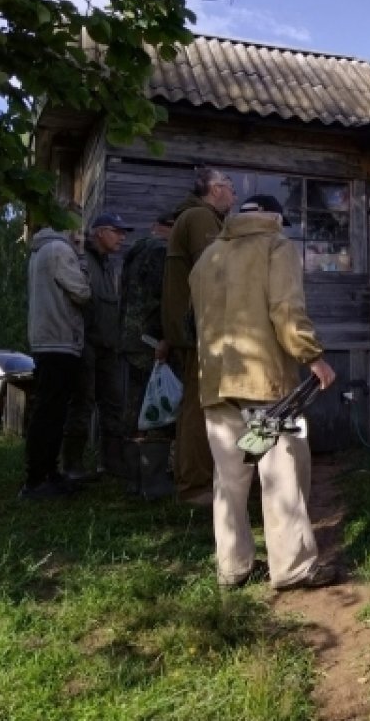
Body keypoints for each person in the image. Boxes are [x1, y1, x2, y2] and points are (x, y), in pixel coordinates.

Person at [189, 194, 339, 590]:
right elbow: (286, 308)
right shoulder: (276, 245)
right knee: (283, 471)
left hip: (215, 384)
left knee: (229, 479)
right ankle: (293, 567)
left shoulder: (207, 258)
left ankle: (233, 567)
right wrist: (312, 356)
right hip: (266, 384)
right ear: (274, 216)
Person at [163, 167, 236, 505]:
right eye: (229, 187)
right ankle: (194, 485)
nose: (233, 194)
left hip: (194, 327)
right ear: (215, 190)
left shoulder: (196, 217)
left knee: (200, 402)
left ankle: (196, 478)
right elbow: (216, 276)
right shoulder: (200, 218)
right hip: (199, 329)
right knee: (199, 404)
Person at [21, 207, 92, 500]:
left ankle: (46, 473)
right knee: (51, 412)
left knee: (48, 410)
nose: (80, 230)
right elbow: (82, 292)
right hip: (60, 338)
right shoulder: (60, 250)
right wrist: (82, 261)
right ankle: (38, 480)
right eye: (78, 223)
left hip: (46, 338)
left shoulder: (39, 250)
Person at [64, 211, 132, 481]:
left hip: (108, 347)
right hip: (87, 345)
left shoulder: (108, 264)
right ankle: (72, 466)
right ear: (101, 232)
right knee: (82, 405)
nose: (122, 237)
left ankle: (111, 463)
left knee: (113, 405)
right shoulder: (83, 260)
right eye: (117, 232)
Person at [118, 209, 177, 498]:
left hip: (130, 338)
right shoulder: (162, 253)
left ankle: (134, 481)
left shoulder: (135, 251)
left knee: (134, 407)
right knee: (155, 408)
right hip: (151, 342)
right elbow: (164, 298)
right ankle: (153, 483)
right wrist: (166, 337)